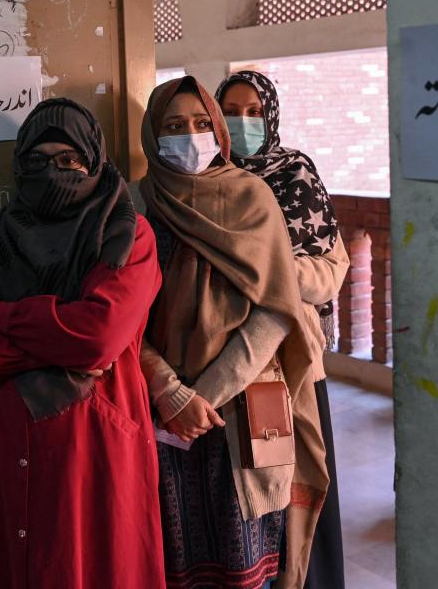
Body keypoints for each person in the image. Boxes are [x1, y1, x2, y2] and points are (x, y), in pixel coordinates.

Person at [0, 98, 165, 589]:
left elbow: (100, 337)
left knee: (98, 564)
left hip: (97, 442)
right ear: (19, 166)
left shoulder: (126, 236)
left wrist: (5, 317)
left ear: (93, 161)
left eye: (68, 161)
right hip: (3, 437)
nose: (52, 173)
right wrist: (57, 339)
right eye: (37, 162)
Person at [138, 76, 329, 589]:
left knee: (250, 564)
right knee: (173, 562)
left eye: (203, 124)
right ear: (152, 135)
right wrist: (168, 390)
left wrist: (201, 396)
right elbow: (124, 318)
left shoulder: (253, 199)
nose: (191, 136)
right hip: (162, 417)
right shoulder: (137, 206)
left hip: (242, 406)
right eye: (174, 126)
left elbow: (276, 310)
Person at [216, 70, 350, 589]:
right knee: (248, 498)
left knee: (296, 489)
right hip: (229, 363)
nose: (242, 121)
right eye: (230, 111)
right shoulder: (209, 178)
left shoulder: (295, 173)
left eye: (253, 111)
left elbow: (327, 274)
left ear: (270, 115)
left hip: (290, 364)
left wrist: (263, 269)